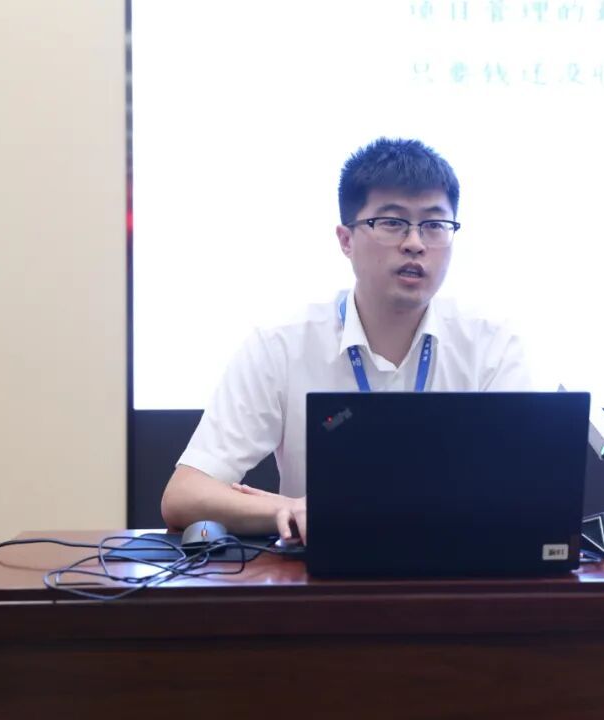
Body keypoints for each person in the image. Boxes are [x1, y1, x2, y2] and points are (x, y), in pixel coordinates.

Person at [160, 138, 531, 541]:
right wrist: (289, 509)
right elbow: (184, 495)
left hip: (461, 570)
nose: (415, 243)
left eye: (434, 225)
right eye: (392, 222)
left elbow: (526, 490)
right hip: (321, 572)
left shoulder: (492, 347)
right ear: (346, 239)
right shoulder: (281, 345)